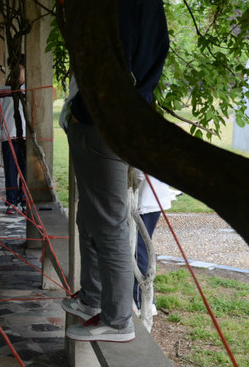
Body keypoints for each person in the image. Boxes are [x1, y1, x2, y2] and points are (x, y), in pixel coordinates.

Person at [61, 0, 169, 342]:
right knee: (90, 216)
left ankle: (118, 318)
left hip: (106, 121)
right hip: (99, 117)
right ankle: (93, 297)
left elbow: (114, 59)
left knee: (109, 222)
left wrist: (95, 108)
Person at [133, 172, 175, 314]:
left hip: (144, 201)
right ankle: (145, 302)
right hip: (150, 199)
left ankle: (141, 304)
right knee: (141, 250)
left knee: (138, 252)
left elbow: (137, 175)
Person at [0, 56, 27, 215]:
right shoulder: (3, 91)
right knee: (10, 171)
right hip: (8, 138)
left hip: (26, 139)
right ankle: (11, 201)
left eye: (20, 70)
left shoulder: (29, 90)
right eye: (14, 70)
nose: (16, 73)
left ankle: (24, 199)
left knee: (26, 171)